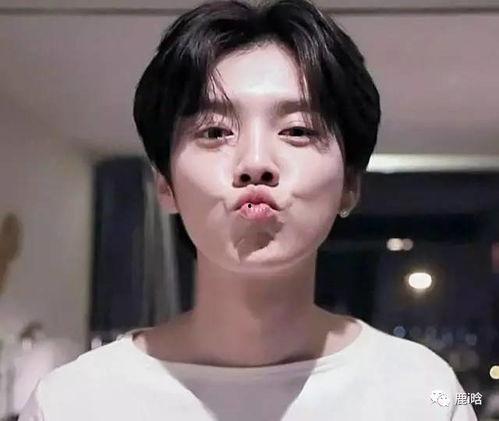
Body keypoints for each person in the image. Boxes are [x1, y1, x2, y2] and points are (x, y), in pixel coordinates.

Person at [19, 0, 477, 419]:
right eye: (215, 132)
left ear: (350, 184)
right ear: (165, 184)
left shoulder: (424, 393)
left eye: (297, 130)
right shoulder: (74, 402)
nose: (255, 162)